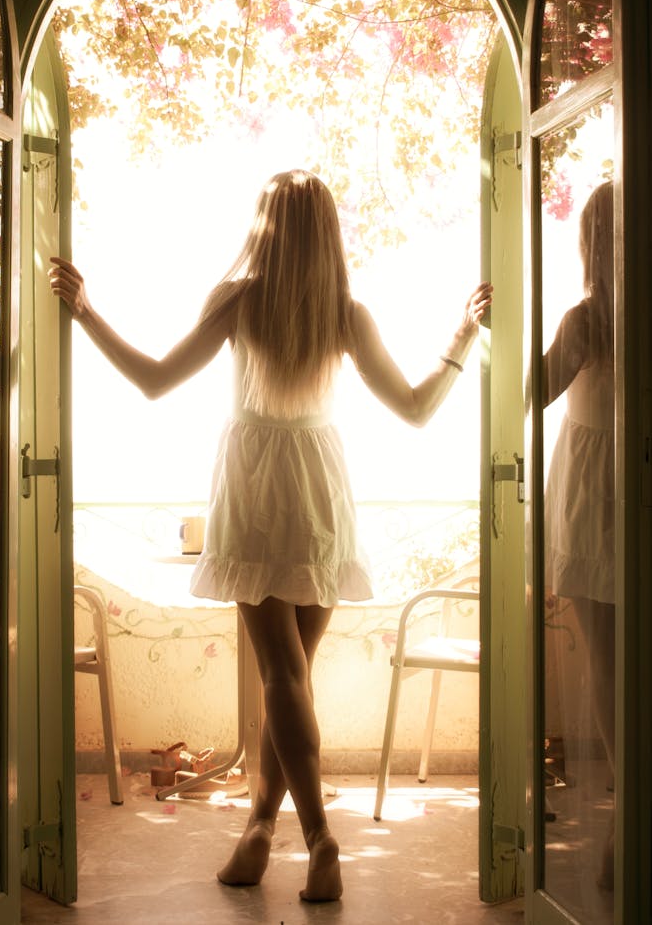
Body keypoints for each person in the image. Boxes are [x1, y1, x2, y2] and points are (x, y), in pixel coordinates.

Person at [49, 169, 491, 901]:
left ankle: (318, 839)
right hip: (319, 487)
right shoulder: (345, 313)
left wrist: (89, 314)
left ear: (265, 228)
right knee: (295, 680)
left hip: (255, 487)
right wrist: (462, 335)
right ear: (327, 236)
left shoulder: (240, 301)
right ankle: (256, 829)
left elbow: (156, 381)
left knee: (280, 677)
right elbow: (415, 408)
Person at [542, 180, 615, 889]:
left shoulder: (588, 318)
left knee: (608, 665)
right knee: (623, 665)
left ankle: (628, 815)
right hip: (626, 489)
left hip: (594, 500)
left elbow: (529, 393)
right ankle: (632, 814)